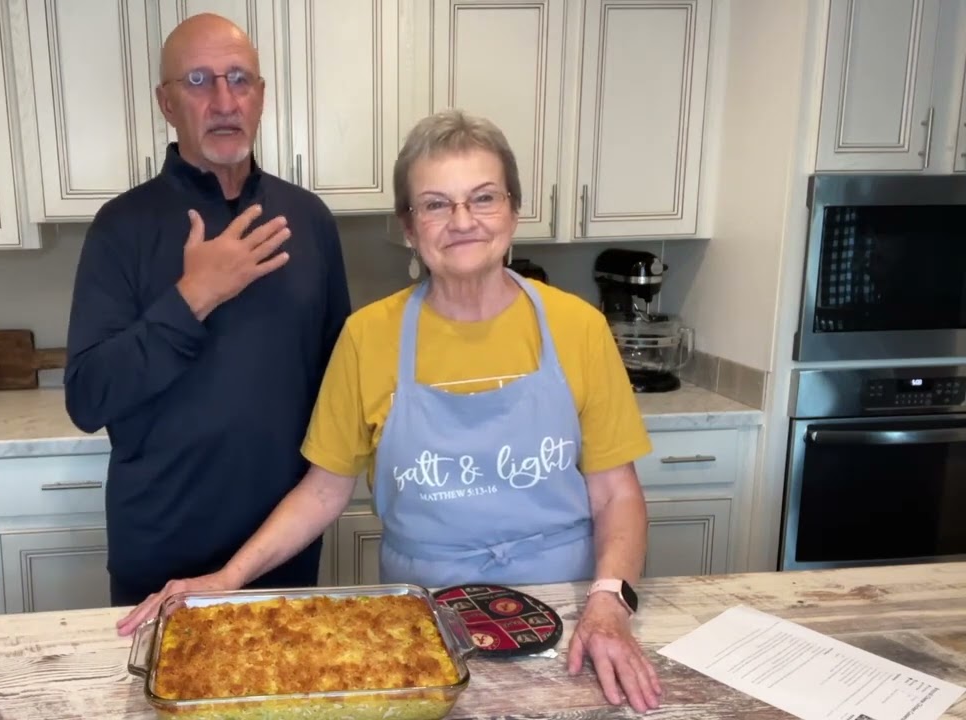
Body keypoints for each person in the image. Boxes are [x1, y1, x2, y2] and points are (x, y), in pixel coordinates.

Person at [117, 108, 663, 713]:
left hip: (575, 609)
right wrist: (227, 580)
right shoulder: (369, 336)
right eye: (435, 204)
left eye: (483, 198)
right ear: (408, 226)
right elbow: (323, 492)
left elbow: (617, 493)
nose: (462, 221)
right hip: (422, 624)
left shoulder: (578, 328)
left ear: (514, 210)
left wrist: (610, 602)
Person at [63, 13, 351, 606]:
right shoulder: (121, 228)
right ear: (166, 103)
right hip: (160, 554)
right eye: (198, 81)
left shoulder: (310, 221)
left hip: (282, 550)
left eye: (239, 79)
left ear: (262, 97)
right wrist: (195, 297)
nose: (224, 101)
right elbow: (89, 399)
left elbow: (338, 386)